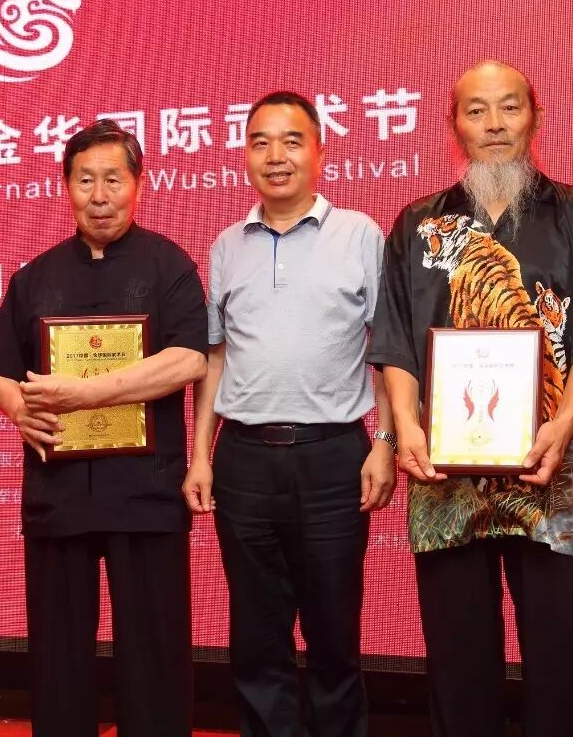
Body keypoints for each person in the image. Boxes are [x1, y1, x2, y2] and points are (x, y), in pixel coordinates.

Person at [367, 60, 573, 737]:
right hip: (443, 473)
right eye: (476, 110)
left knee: (557, 652)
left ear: (535, 117)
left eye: (509, 108)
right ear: (454, 126)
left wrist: (563, 424)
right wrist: (405, 428)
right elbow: (396, 340)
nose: (494, 124)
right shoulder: (418, 224)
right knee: (457, 658)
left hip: (553, 465)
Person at [0, 119, 207, 737]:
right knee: (58, 656)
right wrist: (18, 409)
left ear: (139, 184)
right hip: (59, 494)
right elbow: (0, 368)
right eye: (85, 181)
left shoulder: (169, 266)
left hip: (146, 493)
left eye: (113, 179)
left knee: (155, 652)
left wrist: (85, 394)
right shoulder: (35, 276)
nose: (100, 196)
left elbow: (190, 358)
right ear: (66, 187)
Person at [183, 91, 397, 737]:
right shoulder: (227, 246)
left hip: (334, 457)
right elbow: (215, 357)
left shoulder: (359, 234)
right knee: (257, 636)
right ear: (245, 155)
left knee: (335, 634)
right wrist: (200, 456)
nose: (276, 156)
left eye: (292, 140)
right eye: (260, 142)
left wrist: (385, 441)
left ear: (320, 152)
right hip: (244, 460)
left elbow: (388, 350)